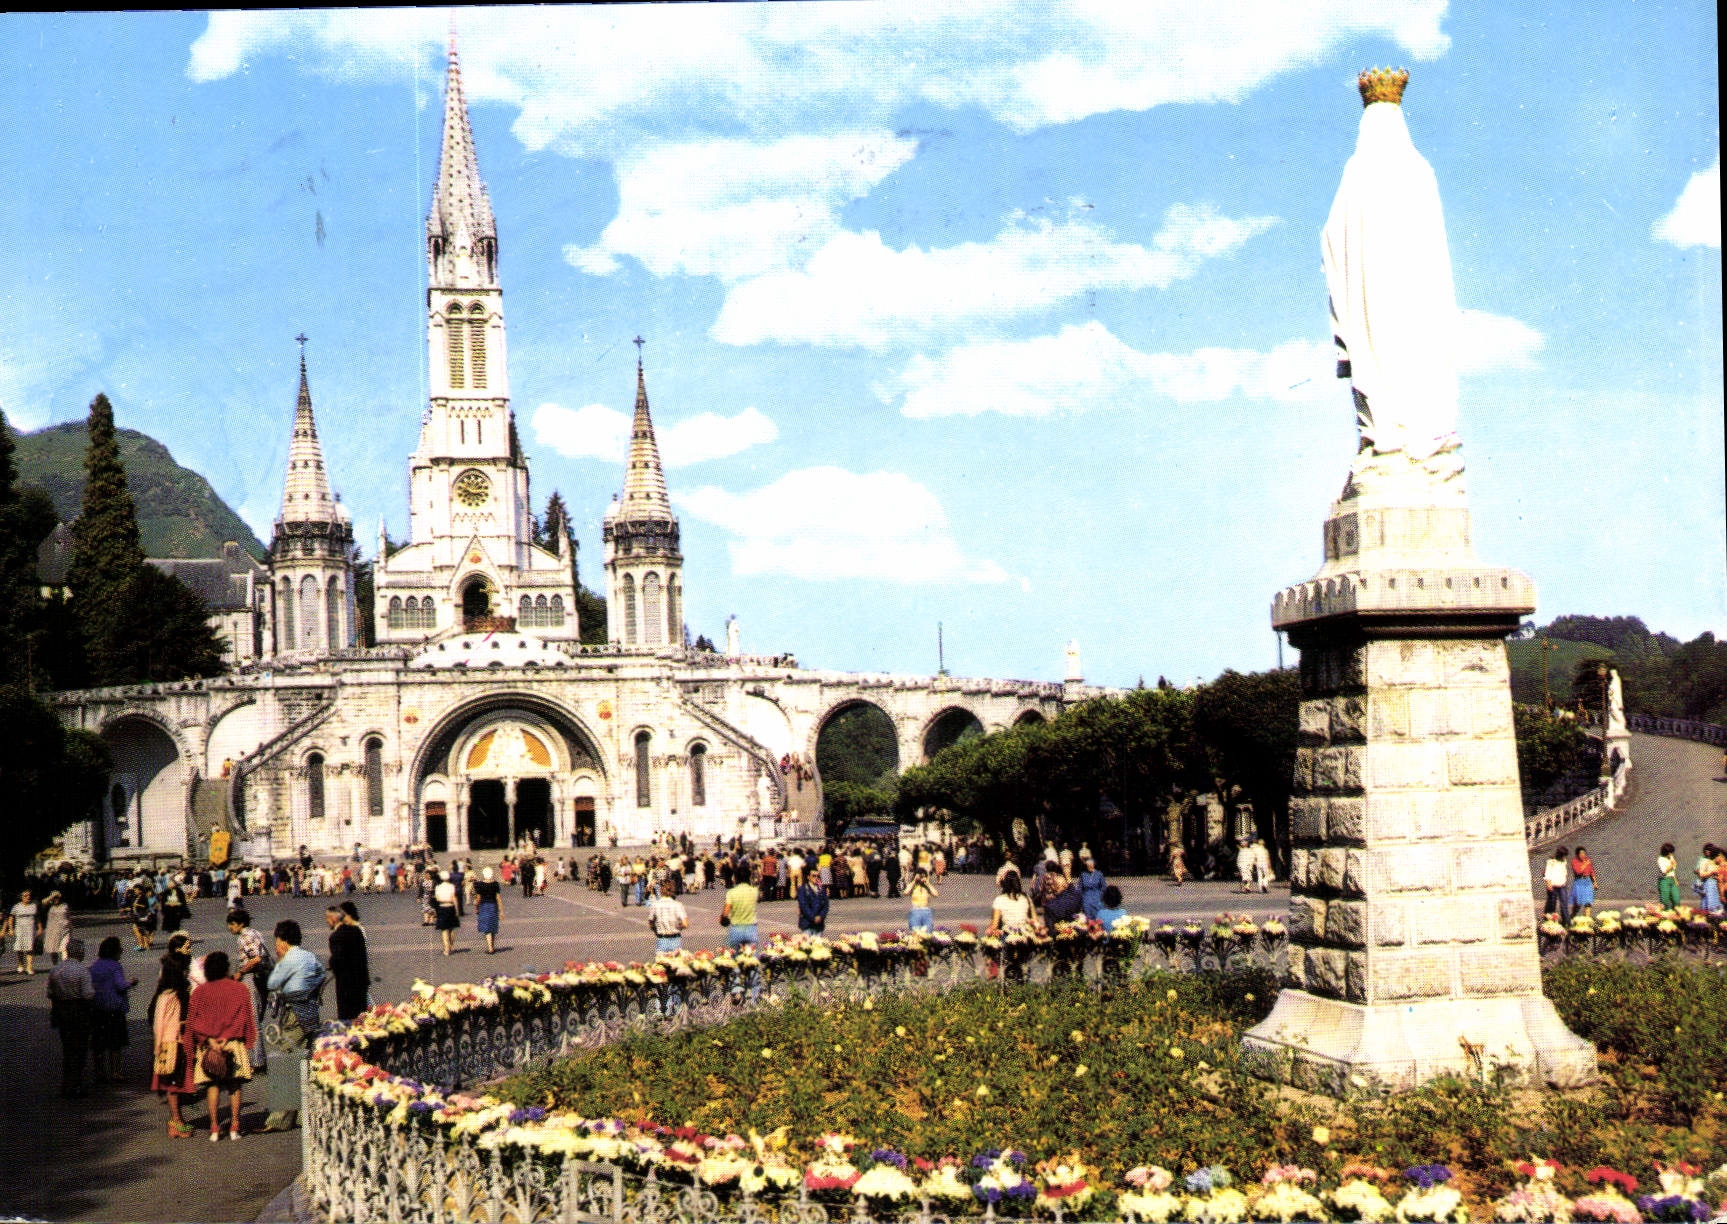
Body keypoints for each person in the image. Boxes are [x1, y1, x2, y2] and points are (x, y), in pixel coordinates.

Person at [184, 950, 256, 1142]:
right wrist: (232, 1037)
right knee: (234, 1085)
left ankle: (215, 1127)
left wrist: (209, 1041)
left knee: (212, 1086)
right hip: (233, 1043)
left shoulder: (199, 992)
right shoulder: (239, 989)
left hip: (209, 1045)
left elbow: (194, 1022)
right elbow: (245, 1018)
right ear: (226, 968)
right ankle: (234, 1126)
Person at [262, 919, 325, 1132]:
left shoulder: (288, 960)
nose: (276, 946)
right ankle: (302, 1114)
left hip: (294, 1014)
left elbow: (273, 985)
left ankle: (280, 1118)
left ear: (284, 941)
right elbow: (322, 975)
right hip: (311, 1014)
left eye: (277, 941)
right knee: (305, 1061)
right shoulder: (309, 956)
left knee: (287, 1061)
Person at [149, 949, 197, 1137]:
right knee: (173, 1085)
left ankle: (177, 1120)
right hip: (170, 1045)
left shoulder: (178, 993)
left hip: (179, 1042)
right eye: (184, 970)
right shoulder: (167, 996)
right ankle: (175, 1121)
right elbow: (159, 1024)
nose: (187, 973)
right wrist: (158, 1048)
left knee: (177, 1083)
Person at [46, 937, 94, 1098]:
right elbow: (88, 994)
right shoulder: (82, 971)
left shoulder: (56, 970)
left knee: (68, 1049)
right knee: (80, 1049)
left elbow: (50, 993)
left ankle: (66, 1083)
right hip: (78, 1011)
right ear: (80, 953)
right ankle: (76, 1084)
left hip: (61, 1011)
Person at [226, 908, 271, 1072]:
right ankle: (256, 1058)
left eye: (232, 924)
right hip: (263, 978)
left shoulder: (244, 937)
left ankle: (258, 1061)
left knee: (253, 1020)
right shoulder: (255, 933)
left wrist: (240, 972)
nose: (230, 928)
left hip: (252, 978)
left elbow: (256, 958)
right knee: (255, 1017)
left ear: (240, 924)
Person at [88, 936, 137, 1083]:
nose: (121, 952)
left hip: (97, 1009)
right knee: (115, 1043)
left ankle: (100, 1072)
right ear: (115, 951)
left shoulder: (94, 966)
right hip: (114, 1009)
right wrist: (132, 982)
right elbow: (121, 985)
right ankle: (115, 1071)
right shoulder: (115, 966)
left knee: (99, 1043)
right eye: (120, 949)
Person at [326, 902, 370, 1022]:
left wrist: (330, 963)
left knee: (348, 1018)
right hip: (361, 980)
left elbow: (337, 961)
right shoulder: (357, 930)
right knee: (362, 1016)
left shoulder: (336, 936)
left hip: (346, 986)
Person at [721, 867, 759, 950]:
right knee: (751, 956)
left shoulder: (731, 892)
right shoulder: (754, 891)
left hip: (736, 928)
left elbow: (726, 912)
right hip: (751, 928)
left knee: (736, 956)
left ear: (736, 877)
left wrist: (723, 918)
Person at [646, 883, 689, 954]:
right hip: (675, 939)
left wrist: (656, 930)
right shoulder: (677, 905)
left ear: (660, 891)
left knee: (661, 963)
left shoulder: (655, 905)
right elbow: (685, 924)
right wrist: (678, 927)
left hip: (662, 939)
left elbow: (651, 923)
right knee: (677, 962)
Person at [4, 889, 38, 975]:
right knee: (20, 948)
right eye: (25, 896)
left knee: (30, 948)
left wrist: (40, 928)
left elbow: (37, 918)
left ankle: (29, 967)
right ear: (21, 897)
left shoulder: (33, 906)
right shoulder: (16, 907)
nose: (28, 897)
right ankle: (21, 965)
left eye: (29, 895)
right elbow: (11, 918)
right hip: (20, 930)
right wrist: (10, 929)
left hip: (30, 930)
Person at [473, 867, 504, 955]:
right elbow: (498, 898)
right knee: (492, 926)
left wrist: (476, 908)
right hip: (493, 906)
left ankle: (490, 947)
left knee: (486, 928)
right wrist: (501, 911)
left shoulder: (480, 885)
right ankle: (492, 946)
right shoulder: (495, 884)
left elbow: (478, 899)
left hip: (484, 906)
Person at [41, 891, 72, 965]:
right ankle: (56, 966)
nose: (56, 899)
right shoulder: (49, 906)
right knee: (53, 950)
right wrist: (52, 896)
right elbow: (43, 902)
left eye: (57, 898)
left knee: (64, 948)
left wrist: (71, 928)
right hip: (52, 931)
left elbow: (69, 917)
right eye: (54, 898)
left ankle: (65, 966)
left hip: (65, 930)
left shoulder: (65, 906)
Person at [433, 870, 460, 955]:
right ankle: (451, 946)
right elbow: (454, 898)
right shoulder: (451, 886)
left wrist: (435, 911)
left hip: (442, 907)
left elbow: (436, 899)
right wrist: (457, 910)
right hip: (450, 906)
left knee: (444, 929)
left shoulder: (438, 887)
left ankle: (446, 949)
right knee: (451, 928)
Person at [796, 867, 829, 934]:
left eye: (818, 876)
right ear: (808, 877)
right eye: (814, 876)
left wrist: (821, 916)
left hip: (819, 925)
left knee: (818, 944)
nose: (816, 878)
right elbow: (803, 906)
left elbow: (826, 905)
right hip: (807, 924)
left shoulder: (822, 889)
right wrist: (813, 917)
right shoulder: (803, 889)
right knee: (807, 944)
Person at [1542, 847, 1572, 923]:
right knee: (1552, 904)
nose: (1565, 857)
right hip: (1553, 886)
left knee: (1564, 904)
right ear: (1560, 855)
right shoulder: (1551, 861)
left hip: (1562, 885)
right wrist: (1548, 884)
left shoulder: (1564, 861)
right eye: (1564, 855)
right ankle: (1550, 921)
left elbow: (1565, 871)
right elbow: (1547, 873)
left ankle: (1566, 922)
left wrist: (1565, 878)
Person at [1695, 844, 1723, 915]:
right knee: (1708, 901)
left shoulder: (1717, 863)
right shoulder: (1705, 862)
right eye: (1718, 855)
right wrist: (1711, 873)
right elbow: (1701, 874)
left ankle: (1717, 918)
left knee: (1717, 902)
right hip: (1708, 884)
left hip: (1716, 885)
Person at [1569, 846, 1597, 917]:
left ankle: (1586, 919)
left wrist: (1595, 882)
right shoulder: (1574, 861)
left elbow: (1592, 872)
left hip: (1587, 881)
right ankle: (1572, 917)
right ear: (1577, 855)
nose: (1583, 855)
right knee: (1578, 903)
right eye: (1581, 854)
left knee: (1588, 902)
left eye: (1584, 853)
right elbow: (1578, 871)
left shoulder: (1588, 860)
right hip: (1579, 882)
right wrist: (1585, 864)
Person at [1657, 842, 1682, 909]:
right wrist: (1671, 865)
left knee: (1676, 899)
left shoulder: (1670, 857)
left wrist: (1676, 880)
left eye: (1671, 852)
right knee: (1665, 900)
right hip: (1664, 880)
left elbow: (1673, 870)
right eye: (1670, 853)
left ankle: (1676, 913)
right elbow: (1664, 871)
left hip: (1672, 879)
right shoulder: (1660, 859)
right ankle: (1665, 914)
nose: (1671, 854)